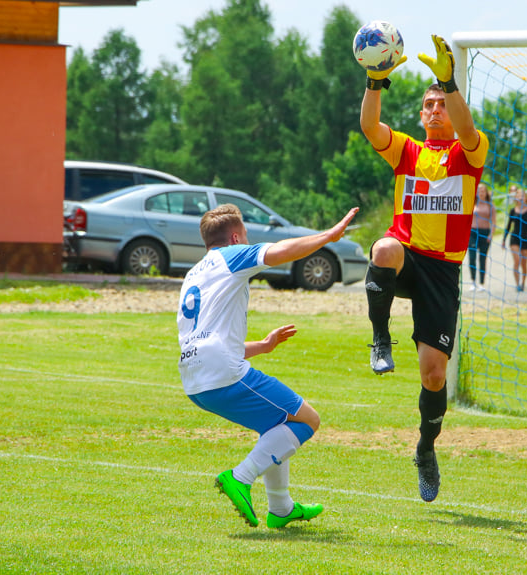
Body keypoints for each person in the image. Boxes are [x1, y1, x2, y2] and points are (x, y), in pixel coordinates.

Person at [359, 34, 489, 502]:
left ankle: (425, 449)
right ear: (419, 115)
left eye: (441, 104)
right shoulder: (407, 151)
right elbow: (370, 127)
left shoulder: (468, 153)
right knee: (383, 248)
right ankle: (379, 339)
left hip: (442, 274)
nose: (435, 110)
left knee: (434, 376)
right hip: (409, 257)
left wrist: (449, 83)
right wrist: (376, 80)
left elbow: (469, 131)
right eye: (428, 105)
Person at [177, 203, 358, 528]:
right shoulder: (232, 256)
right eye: (245, 234)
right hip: (223, 374)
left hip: (194, 379)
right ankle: (240, 477)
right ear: (235, 237)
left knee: (275, 426)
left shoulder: (193, 274)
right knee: (307, 420)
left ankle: (281, 507)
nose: (247, 240)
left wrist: (261, 346)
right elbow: (280, 251)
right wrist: (328, 236)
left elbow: (204, 339)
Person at [501, 185, 527, 292]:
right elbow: (508, 226)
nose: (521, 198)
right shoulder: (513, 210)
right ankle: (517, 284)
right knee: (517, 260)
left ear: (526, 198)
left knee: (524, 263)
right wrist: (504, 239)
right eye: (519, 195)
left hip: (525, 237)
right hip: (514, 237)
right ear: (516, 197)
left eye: (523, 196)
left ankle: (523, 283)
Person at [468, 182, 497, 291]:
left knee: (482, 258)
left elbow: (494, 222)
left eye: (483, 191)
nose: (481, 193)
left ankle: (481, 283)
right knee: (472, 257)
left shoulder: (490, 205)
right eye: (479, 191)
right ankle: (473, 281)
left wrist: (491, 234)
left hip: (485, 233)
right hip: (473, 233)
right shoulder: (472, 203)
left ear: (486, 192)